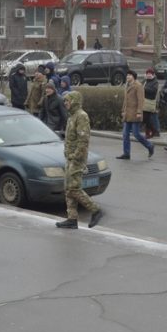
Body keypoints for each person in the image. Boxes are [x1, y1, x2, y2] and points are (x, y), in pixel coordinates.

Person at [55, 91, 103, 229]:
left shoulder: (81, 116)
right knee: (68, 188)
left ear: (74, 101)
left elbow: (83, 140)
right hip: (70, 157)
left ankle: (95, 210)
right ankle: (72, 218)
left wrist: (76, 156)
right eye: (64, 101)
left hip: (77, 159)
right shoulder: (72, 116)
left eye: (67, 101)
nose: (65, 103)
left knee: (73, 188)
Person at [119, 70, 155, 160]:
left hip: (135, 113)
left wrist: (139, 112)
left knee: (136, 134)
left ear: (133, 77)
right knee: (125, 134)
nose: (127, 77)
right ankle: (126, 154)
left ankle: (150, 146)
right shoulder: (127, 86)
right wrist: (123, 110)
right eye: (127, 75)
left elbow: (141, 100)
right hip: (127, 114)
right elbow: (125, 100)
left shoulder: (138, 86)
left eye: (129, 75)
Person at [142, 68, 161, 139]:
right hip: (144, 102)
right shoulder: (145, 81)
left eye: (150, 74)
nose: (149, 75)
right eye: (147, 74)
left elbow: (154, 91)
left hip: (150, 102)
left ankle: (153, 131)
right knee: (146, 119)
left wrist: (145, 89)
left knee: (148, 119)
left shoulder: (155, 82)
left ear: (153, 74)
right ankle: (150, 132)